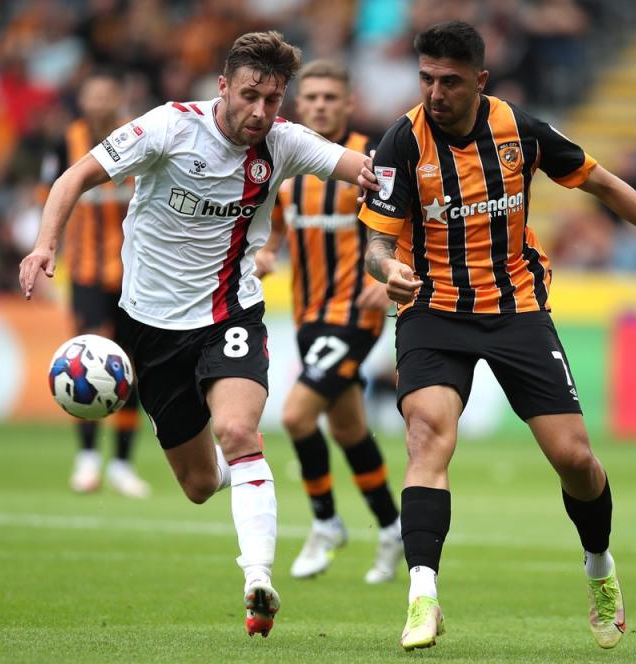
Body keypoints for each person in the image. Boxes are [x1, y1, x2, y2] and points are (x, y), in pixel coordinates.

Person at [358, 21, 636, 652]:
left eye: (449, 81)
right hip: (432, 311)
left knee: (576, 460)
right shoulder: (403, 140)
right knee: (427, 437)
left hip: (516, 310)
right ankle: (422, 596)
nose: (435, 93)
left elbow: (601, 181)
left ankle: (599, 566)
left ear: (479, 80)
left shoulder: (521, 131)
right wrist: (388, 268)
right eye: (426, 78)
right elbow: (377, 239)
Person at [20, 31, 378, 638]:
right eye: (249, 96)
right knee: (199, 484)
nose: (260, 112)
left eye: (272, 98)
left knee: (239, 429)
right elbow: (74, 177)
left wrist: (399, 220)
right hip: (148, 329)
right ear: (222, 87)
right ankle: (236, 471)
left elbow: (365, 173)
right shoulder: (167, 128)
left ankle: (258, 576)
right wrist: (45, 242)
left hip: (229, 314)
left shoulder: (285, 143)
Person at [255, 60, 402, 584]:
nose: (319, 105)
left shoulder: (375, 158)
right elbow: (275, 227)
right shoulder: (289, 160)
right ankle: (390, 529)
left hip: (355, 316)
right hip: (309, 315)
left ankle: (325, 523)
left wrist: (387, 278)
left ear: (349, 104)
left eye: (329, 97)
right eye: (311, 97)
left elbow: (413, 226)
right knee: (348, 427)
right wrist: (268, 254)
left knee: (295, 416)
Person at [40, 69, 149, 499]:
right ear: (82, 101)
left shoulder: (139, 138)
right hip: (85, 273)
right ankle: (87, 459)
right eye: (93, 95)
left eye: (108, 94)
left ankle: (122, 463)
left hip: (134, 275)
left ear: (118, 98)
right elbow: (46, 197)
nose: (100, 103)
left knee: (130, 367)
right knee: (82, 363)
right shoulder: (64, 143)